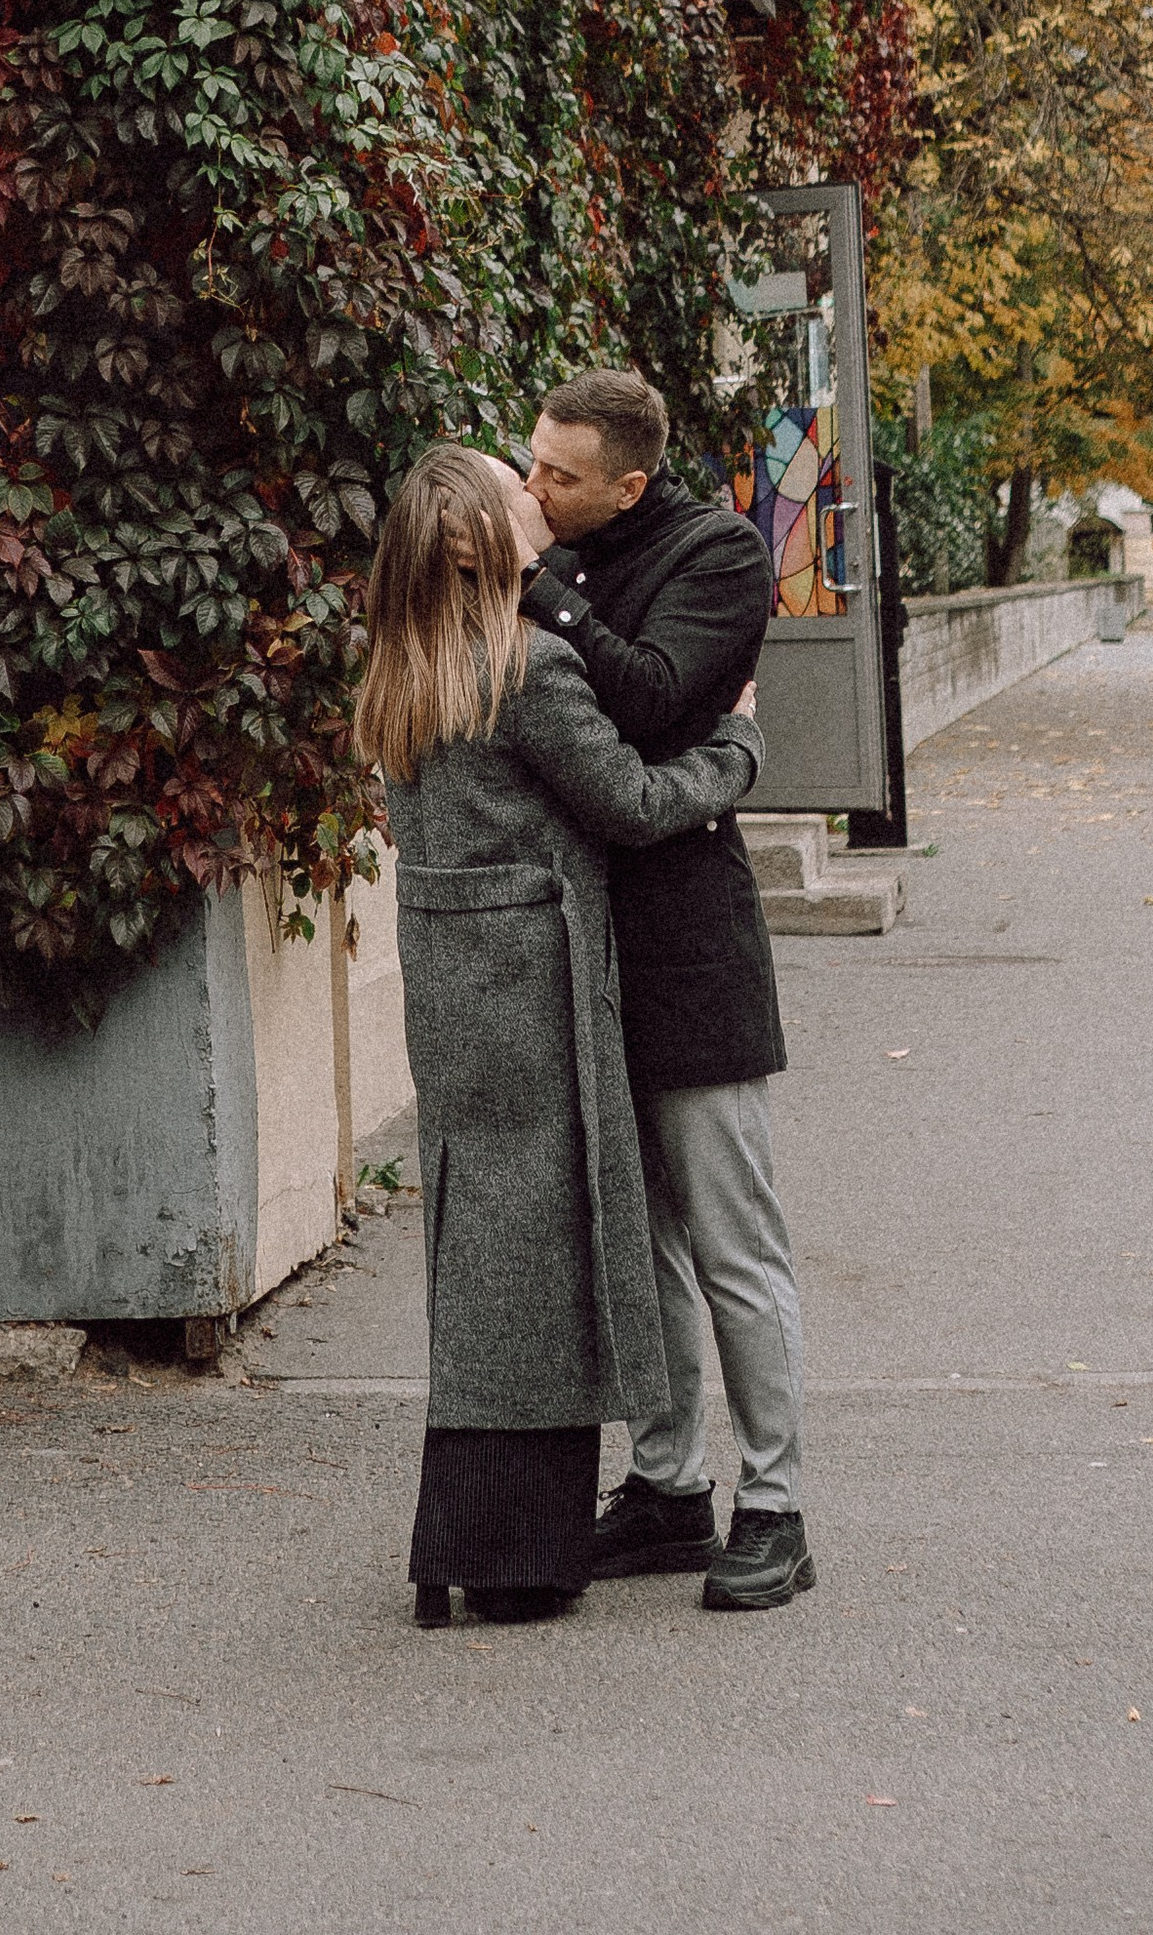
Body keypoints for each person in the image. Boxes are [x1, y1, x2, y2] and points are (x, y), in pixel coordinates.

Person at [360, 442, 764, 1629]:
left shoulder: (401, 667)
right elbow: (634, 806)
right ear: (489, 541)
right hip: (536, 981)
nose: (535, 496)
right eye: (514, 489)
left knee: (478, 1235)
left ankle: (475, 1530)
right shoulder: (526, 667)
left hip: (451, 984)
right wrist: (735, 750)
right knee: (545, 1241)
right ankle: (513, 1548)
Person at [516, 365, 812, 1613]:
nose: (532, 490)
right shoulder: (575, 549)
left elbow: (648, 702)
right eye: (530, 463)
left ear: (627, 483)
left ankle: (777, 1509)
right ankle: (668, 1490)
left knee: (733, 1242)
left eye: (559, 478)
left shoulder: (720, 558)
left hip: (689, 947)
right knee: (639, 1248)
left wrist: (539, 598)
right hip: (583, 948)